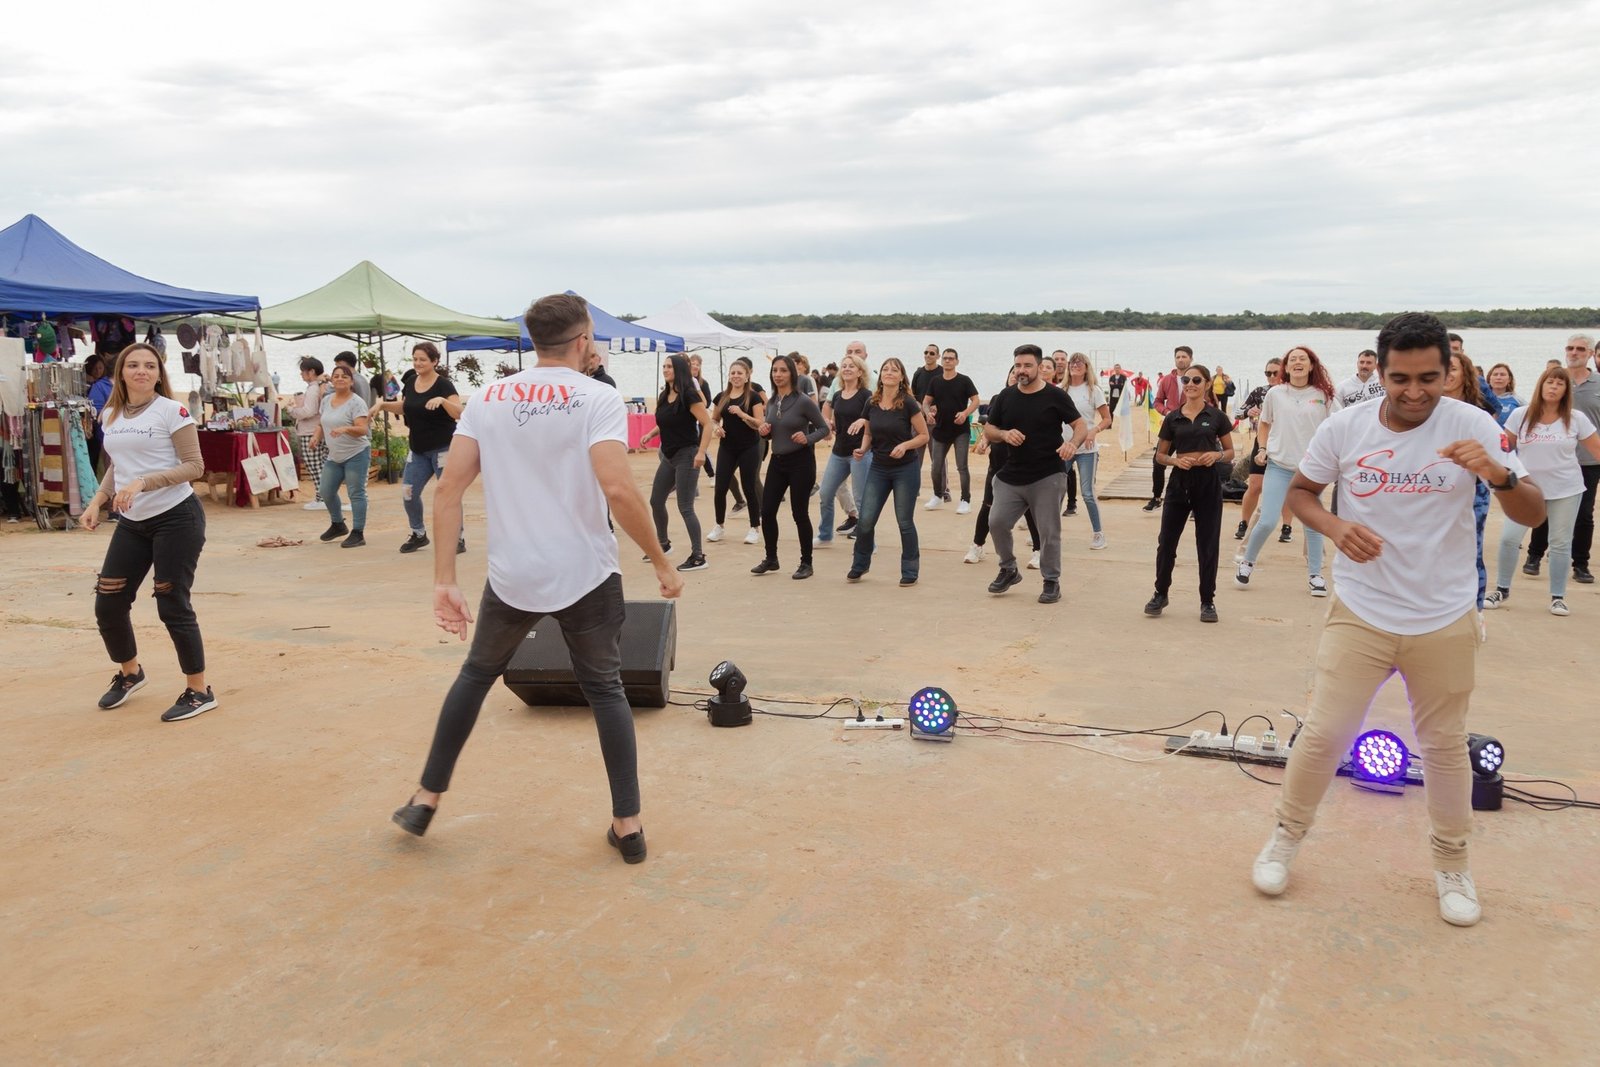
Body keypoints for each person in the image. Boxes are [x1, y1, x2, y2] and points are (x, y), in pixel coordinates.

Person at [1249, 311, 1544, 928]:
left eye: (1429, 378)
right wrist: (1335, 527)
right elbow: (1300, 492)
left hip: (1444, 612)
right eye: (1401, 378)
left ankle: (1452, 865)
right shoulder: (1344, 427)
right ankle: (1285, 837)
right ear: (1378, 370)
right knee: (1326, 733)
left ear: (1449, 372)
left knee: (1442, 745)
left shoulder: (1475, 425)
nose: (1415, 392)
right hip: (1362, 607)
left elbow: (1534, 511)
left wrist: (1497, 472)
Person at [391, 293, 684, 862]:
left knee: (476, 675)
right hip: (586, 573)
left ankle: (425, 798)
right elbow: (619, 489)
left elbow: (448, 490)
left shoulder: (488, 398)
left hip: (513, 574)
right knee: (605, 689)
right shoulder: (599, 398)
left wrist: (444, 579)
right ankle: (629, 826)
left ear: (533, 340)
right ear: (581, 341)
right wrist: (661, 560)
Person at [81, 343, 216, 723]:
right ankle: (130, 673)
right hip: (132, 522)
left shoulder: (172, 411)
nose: (142, 371)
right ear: (120, 372)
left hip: (177, 518)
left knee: (171, 603)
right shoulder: (111, 414)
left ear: (159, 373)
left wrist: (143, 482)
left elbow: (195, 466)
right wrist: (98, 500)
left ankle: (199, 690)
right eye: (134, 365)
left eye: (150, 366)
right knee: (108, 601)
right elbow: (117, 465)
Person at [1486, 366, 1600, 615]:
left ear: (1566, 390)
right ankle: (1501, 589)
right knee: (1509, 539)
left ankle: (1558, 596)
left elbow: (1597, 449)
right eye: (1550, 382)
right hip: (1527, 490)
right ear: (1541, 385)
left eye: (1560, 384)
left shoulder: (1576, 418)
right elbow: (1503, 449)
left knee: (1559, 544)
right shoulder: (1520, 414)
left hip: (1566, 489)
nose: (1554, 387)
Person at [981, 345, 1087, 605]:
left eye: (1027, 365)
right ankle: (1009, 569)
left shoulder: (1054, 396)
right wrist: (1004, 435)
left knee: (1049, 532)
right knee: (996, 522)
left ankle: (1051, 581)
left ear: (1040, 367)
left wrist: (1072, 444)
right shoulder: (1006, 397)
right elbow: (990, 429)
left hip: (1047, 475)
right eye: (1018, 365)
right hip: (1011, 475)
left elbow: (1080, 425)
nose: (1021, 370)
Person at [1235, 346, 1338, 596]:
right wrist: (1262, 449)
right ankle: (1247, 562)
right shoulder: (1276, 393)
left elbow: (1336, 427)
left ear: (1312, 365)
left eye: (1303, 359)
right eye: (1293, 359)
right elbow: (1265, 423)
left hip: (1310, 471)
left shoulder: (1324, 395)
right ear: (1287, 367)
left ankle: (1315, 575)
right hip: (1279, 466)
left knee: (1312, 523)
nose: (1298, 362)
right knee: (1268, 519)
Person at [1145, 364, 1234, 621]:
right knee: (1167, 542)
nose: (1191, 383)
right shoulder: (1173, 417)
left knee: (1207, 544)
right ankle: (1160, 593)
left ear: (1207, 384)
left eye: (1197, 379)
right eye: (1187, 380)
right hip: (1179, 483)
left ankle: (1207, 601)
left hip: (1207, 482)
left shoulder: (1216, 416)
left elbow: (1230, 452)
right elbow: (1160, 455)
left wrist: (1216, 455)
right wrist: (1175, 462)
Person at [367, 342, 463, 555]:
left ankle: (457, 537)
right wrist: (382, 404)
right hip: (418, 450)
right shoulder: (411, 381)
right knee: (408, 492)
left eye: (423, 359)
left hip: (443, 449)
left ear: (434, 362)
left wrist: (441, 401)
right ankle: (418, 534)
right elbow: (406, 406)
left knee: (447, 494)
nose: (418, 363)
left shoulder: (444, 386)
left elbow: (460, 412)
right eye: (415, 359)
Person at [1523, 335, 1600, 584]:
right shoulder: (1557, 380)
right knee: (1543, 508)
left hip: (1588, 461)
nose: (1574, 352)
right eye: (1570, 348)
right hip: (1552, 459)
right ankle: (1534, 556)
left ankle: (1581, 564)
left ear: (1590, 354)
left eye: (1580, 349)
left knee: (1584, 514)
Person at [846, 358, 930, 585]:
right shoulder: (871, 403)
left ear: (902, 377)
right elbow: (869, 433)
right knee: (865, 520)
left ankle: (910, 570)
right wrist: (863, 449)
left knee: (904, 521)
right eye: (885, 369)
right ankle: (860, 565)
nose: (889, 372)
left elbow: (924, 436)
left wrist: (904, 445)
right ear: (880, 375)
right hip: (879, 467)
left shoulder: (909, 403)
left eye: (895, 370)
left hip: (906, 469)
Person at [753, 354, 829, 580]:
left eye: (783, 370)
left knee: (799, 513)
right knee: (766, 512)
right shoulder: (772, 401)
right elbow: (773, 432)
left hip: (801, 462)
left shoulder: (803, 400)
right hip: (778, 462)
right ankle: (771, 558)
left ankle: (807, 562)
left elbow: (824, 429)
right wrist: (764, 433)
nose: (778, 374)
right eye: (775, 370)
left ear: (792, 374)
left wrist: (807, 438)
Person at [638, 353, 716, 571]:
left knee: (685, 507)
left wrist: (701, 453)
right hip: (669, 455)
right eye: (664, 366)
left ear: (679, 369)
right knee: (656, 500)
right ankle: (663, 544)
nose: (665, 370)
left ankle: (699, 557)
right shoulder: (665, 395)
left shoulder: (689, 395)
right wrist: (651, 434)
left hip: (688, 455)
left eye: (669, 366)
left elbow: (707, 425)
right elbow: (667, 421)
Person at [966, 368, 1042, 565]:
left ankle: (1039, 550)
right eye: (1012, 372)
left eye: (1019, 372)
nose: (1015, 375)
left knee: (1028, 509)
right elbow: (992, 426)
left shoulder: (1032, 400)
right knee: (987, 505)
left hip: (1021, 464)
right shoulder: (997, 398)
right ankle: (977, 546)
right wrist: (984, 442)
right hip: (998, 463)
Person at [1443, 350, 1500, 607]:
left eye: (1453, 368)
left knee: (1471, 550)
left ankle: (1475, 608)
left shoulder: (1479, 412)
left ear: (1466, 373)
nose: (1447, 374)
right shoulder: (1423, 409)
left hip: (1474, 489)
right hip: (1435, 488)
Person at [707, 357, 766, 546]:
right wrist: (717, 427)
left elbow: (760, 424)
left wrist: (742, 414)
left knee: (749, 486)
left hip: (749, 446)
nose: (736, 376)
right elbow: (714, 418)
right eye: (733, 373)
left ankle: (754, 528)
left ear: (747, 376)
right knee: (720, 487)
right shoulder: (721, 396)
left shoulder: (754, 397)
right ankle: (719, 526)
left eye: (740, 373)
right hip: (727, 447)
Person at [313, 363, 371, 548]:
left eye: (344, 376)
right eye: (336, 375)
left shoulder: (356, 402)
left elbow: (363, 429)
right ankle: (338, 524)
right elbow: (322, 423)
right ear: (331, 379)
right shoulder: (326, 399)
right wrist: (316, 436)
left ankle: (358, 533)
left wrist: (346, 428)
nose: (339, 379)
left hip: (356, 453)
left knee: (356, 492)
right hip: (335, 456)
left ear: (351, 381)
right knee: (326, 491)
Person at [817, 347, 871, 545]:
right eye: (844, 366)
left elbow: (875, 421)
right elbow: (829, 414)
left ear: (860, 372)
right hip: (839, 452)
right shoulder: (838, 395)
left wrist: (863, 422)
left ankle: (867, 540)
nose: (847, 369)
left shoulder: (866, 395)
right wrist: (828, 425)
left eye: (852, 366)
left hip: (859, 454)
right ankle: (824, 535)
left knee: (861, 499)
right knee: (825, 492)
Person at [1234, 358, 1289, 541]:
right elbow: (1237, 413)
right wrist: (1247, 412)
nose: (1272, 376)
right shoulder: (1259, 392)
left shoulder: (1291, 391)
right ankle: (1244, 522)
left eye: (1276, 373)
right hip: (1262, 443)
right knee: (1255, 485)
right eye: (1268, 373)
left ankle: (1286, 526)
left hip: (1285, 444)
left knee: (1287, 487)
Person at [922, 347, 979, 513]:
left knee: (962, 466)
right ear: (941, 360)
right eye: (945, 358)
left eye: (951, 358)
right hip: (940, 430)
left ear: (957, 361)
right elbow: (926, 402)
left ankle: (965, 499)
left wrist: (965, 413)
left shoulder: (964, 380)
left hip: (960, 430)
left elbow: (975, 400)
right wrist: (927, 414)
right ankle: (937, 496)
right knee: (935, 466)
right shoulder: (936, 381)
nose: (947, 360)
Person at [1063, 352, 1110, 548]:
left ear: (1086, 367)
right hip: (1063, 447)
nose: (1075, 365)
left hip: (1086, 450)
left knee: (1088, 492)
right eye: (1072, 362)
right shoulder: (1060, 390)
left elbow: (1107, 419)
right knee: (1055, 491)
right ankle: (1045, 532)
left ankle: (1098, 534)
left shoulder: (1093, 390)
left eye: (1080, 362)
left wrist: (1093, 431)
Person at [1146, 346, 1195, 511]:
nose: (1181, 359)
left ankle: (1194, 503)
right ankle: (1156, 497)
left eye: (1184, 357)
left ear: (1191, 359)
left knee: (1193, 464)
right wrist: (1166, 412)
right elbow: (1158, 401)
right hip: (1171, 426)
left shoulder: (1197, 378)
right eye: (1178, 357)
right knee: (1158, 461)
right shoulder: (1167, 380)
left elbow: (1209, 401)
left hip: (1192, 428)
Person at [286, 357, 328, 511]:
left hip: (310, 432)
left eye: (302, 371)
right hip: (319, 429)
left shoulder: (313, 388)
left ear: (311, 372)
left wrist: (292, 410)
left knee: (314, 465)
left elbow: (308, 411)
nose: (301, 375)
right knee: (320, 464)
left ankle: (322, 497)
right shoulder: (322, 386)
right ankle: (323, 496)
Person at [83, 354, 110, 472]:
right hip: (93, 425)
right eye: (95, 368)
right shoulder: (87, 384)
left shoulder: (103, 384)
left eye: (100, 368)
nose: (98, 371)